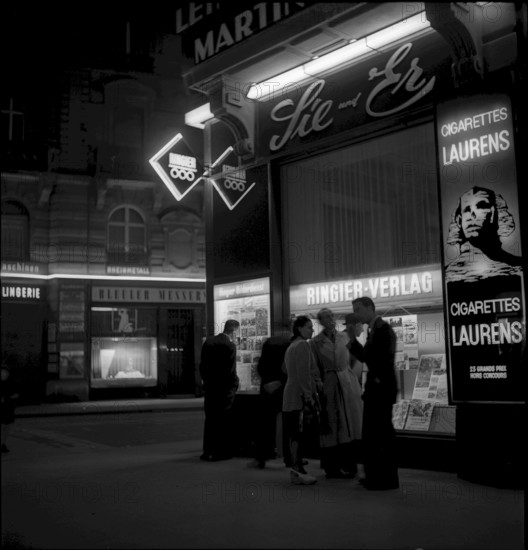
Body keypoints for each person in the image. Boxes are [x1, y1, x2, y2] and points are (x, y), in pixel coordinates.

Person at [348, 297, 399, 490]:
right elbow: (369, 357)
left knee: (380, 433)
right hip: (378, 389)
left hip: (380, 390)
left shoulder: (383, 329)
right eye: (354, 310)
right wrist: (353, 341)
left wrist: (354, 342)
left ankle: (382, 479)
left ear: (370, 308)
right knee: (374, 433)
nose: (356, 313)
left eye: (359, 309)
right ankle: (377, 476)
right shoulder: (374, 329)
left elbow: (377, 359)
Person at [311, 308, 363, 479]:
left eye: (332, 316)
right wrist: (320, 385)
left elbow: (357, 358)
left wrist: (353, 378)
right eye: (326, 317)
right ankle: (331, 467)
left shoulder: (345, 337)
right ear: (320, 321)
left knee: (348, 424)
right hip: (329, 383)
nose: (331, 319)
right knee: (332, 425)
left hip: (347, 382)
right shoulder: (315, 342)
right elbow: (315, 367)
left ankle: (349, 465)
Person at [445, 186, 522, 283]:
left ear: (494, 213)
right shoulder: (445, 276)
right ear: (459, 220)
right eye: (467, 209)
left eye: (481, 206)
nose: (472, 214)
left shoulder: (519, 269)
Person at [282, 316, 320, 485]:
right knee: (298, 431)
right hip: (298, 394)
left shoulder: (291, 346)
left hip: (290, 392)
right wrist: (309, 396)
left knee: (293, 432)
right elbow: (304, 374)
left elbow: (286, 369)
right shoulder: (303, 345)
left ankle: (296, 469)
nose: (312, 330)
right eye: (309, 327)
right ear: (299, 328)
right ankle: (297, 470)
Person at [249, 322, 292, 469]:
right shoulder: (290, 344)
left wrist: (268, 382)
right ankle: (289, 457)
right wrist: (281, 381)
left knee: (265, 424)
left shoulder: (269, 343)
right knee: (288, 424)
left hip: (268, 388)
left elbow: (261, 365)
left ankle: (261, 457)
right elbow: (288, 367)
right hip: (284, 387)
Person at [199, 319, 240, 462]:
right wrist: (235, 385)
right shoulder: (230, 345)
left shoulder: (208, 342)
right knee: (223, 421)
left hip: (211, 388)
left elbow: (202, 366)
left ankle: (207, 451)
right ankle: (220, 452)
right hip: (224, 390)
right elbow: (231, 371)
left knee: (210, 420)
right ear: (234, 330)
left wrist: (207, 382)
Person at [1, 364, 19, 453]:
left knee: (6, 427)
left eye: (5, 373)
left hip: (8, 408)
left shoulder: (12, 382)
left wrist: (7, 398)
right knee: (3, 426)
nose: (4, 374)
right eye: (2, 372)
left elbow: (17, 394)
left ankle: (3, 444)